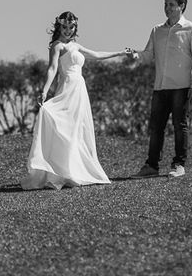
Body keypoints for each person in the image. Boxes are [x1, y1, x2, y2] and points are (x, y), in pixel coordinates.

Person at [20, 11, 133, 190]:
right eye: (64, 27)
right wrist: (44, 90)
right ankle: (59, 172)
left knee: (76, 129)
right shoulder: (57, 46)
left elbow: (96, 54)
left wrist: (120, 53)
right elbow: (52, 68)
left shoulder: (76, 45)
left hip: (79, 90)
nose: (68, 30)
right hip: (66, 88)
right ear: (59, 26)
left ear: (75, 28)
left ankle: (72, 172)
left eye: (71, 27)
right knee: (64, 127)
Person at [129, 0, 192, 179]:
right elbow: (148, 55)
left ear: (182, 7)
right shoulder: (157, 30)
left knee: (180, 126)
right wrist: (136, 55)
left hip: (181, 87)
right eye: (165, 4)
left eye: (172, 4)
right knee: (156, 128)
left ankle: (179, 165)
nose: (167, 8)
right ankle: (151, 166)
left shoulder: (191, 29)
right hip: (160, 88)